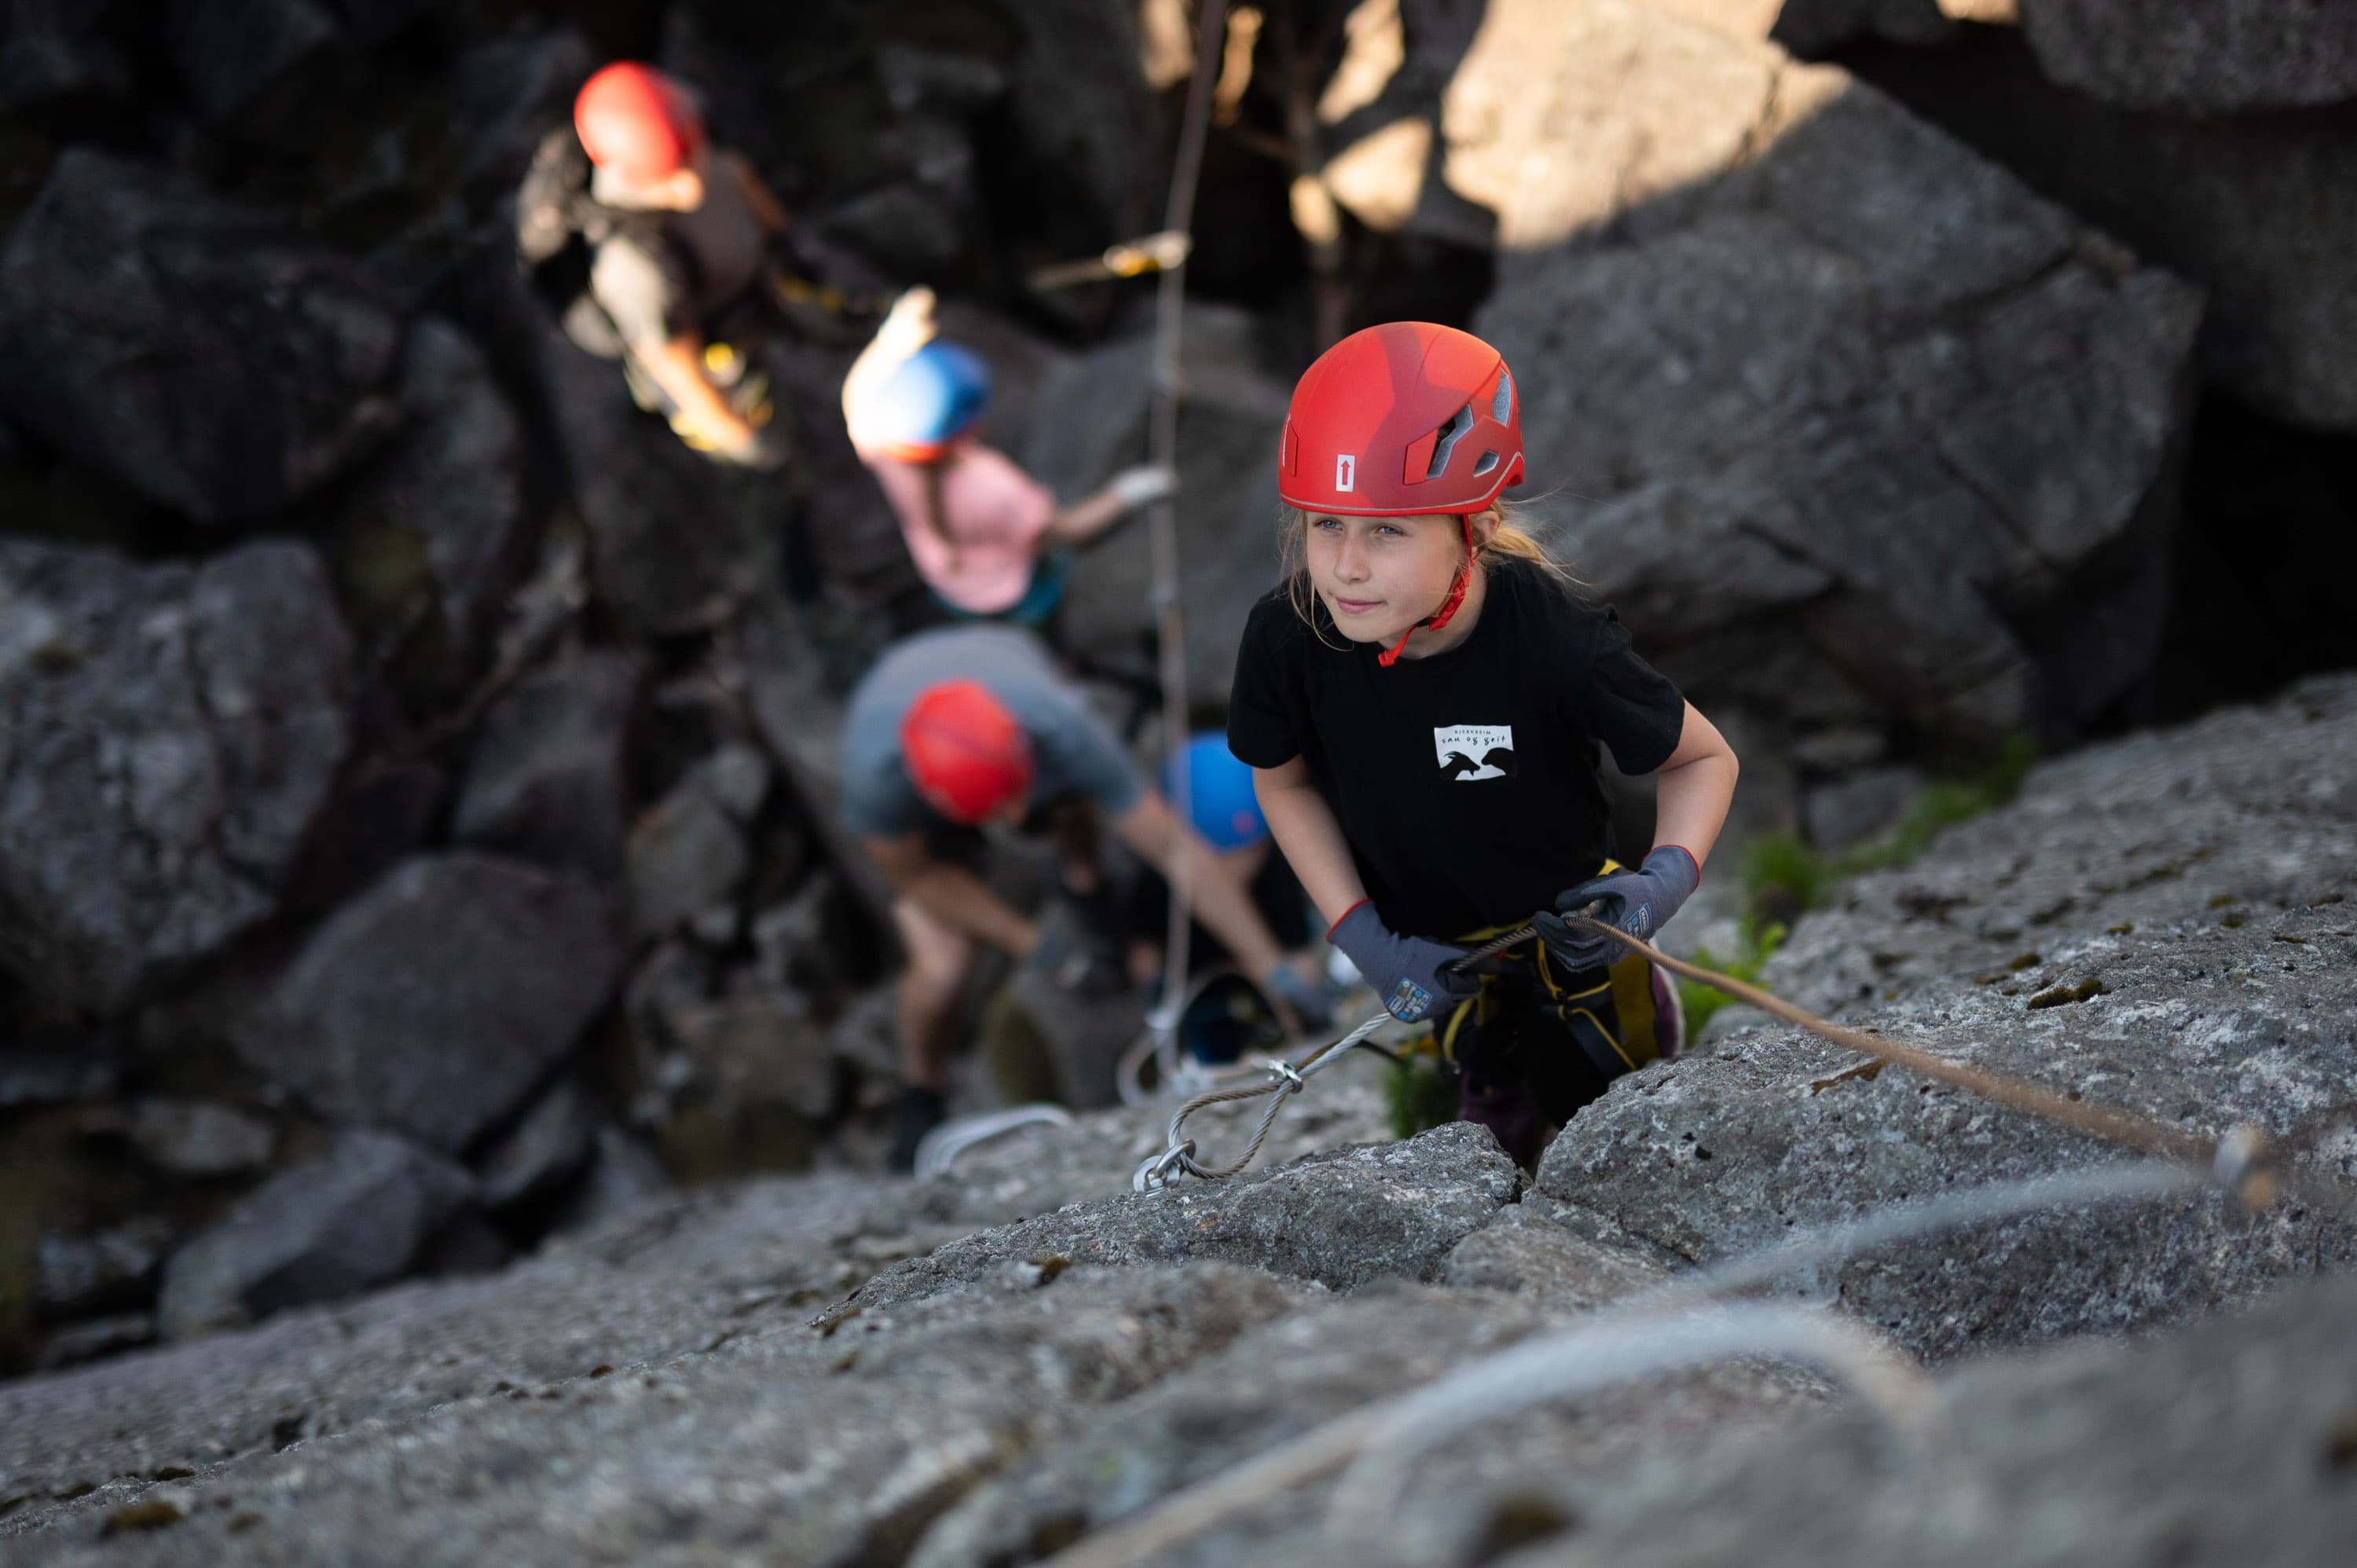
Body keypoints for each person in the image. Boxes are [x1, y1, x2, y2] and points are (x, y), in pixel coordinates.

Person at [1226, 321, 1741, 1169]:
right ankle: (1495, 1073)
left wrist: (1658, 886)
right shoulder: (1289, 637)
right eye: (1326, 525)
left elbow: (1702, 758)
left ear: (1476, 523)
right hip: (1425, 942)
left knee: (1613, 1120)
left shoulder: (1550, 638)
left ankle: (1626, 1025)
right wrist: (1365, 939)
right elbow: (1283, 784)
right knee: (1487, 1108)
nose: (1346, 567)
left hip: (1578, 924)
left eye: (1387, 530)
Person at [841, 625, 1327, 1169]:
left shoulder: (1059, 725)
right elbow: (920, 880)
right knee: (943, 970)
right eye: (999, 811)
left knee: (1071, 803)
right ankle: (923, 1087)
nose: (1016, 820)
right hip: (924, 773)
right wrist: (1036, 945)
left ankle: (1084, 879)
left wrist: (1271, 967)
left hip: (1009, 670)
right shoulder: (876, 781)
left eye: (1017, 799)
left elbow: (1175, 849)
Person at [841, 287, 1174, 629]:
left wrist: (893, 339)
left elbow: (860, 389)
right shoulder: (993, 488)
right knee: (1041, 605)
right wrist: (1128, 493)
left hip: (945, 576)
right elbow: (1066, 530)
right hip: (1008, 587)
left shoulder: (875, 438)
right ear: (971, 430)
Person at [518, 61, 793, 466]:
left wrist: (785, 241)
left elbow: (737, 175)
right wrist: (756, 448)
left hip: (744, 287)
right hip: (717, 353)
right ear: (627, 175)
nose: (691, 185)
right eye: (668, 176)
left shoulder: (679, 124)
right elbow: (686, 381)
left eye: (690, 157)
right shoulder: (634, 270)